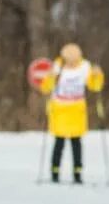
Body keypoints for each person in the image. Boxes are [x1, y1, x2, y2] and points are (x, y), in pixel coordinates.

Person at [38, 43, 104, 184]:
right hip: (60, 109)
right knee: (59, 143)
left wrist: (98, 75)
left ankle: (77, 173)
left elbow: (95, 86)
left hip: (76, 110)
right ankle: (55, 172)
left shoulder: (85, 67)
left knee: (76, 143)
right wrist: (49, 77)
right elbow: (45, 88)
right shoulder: (57, 66)